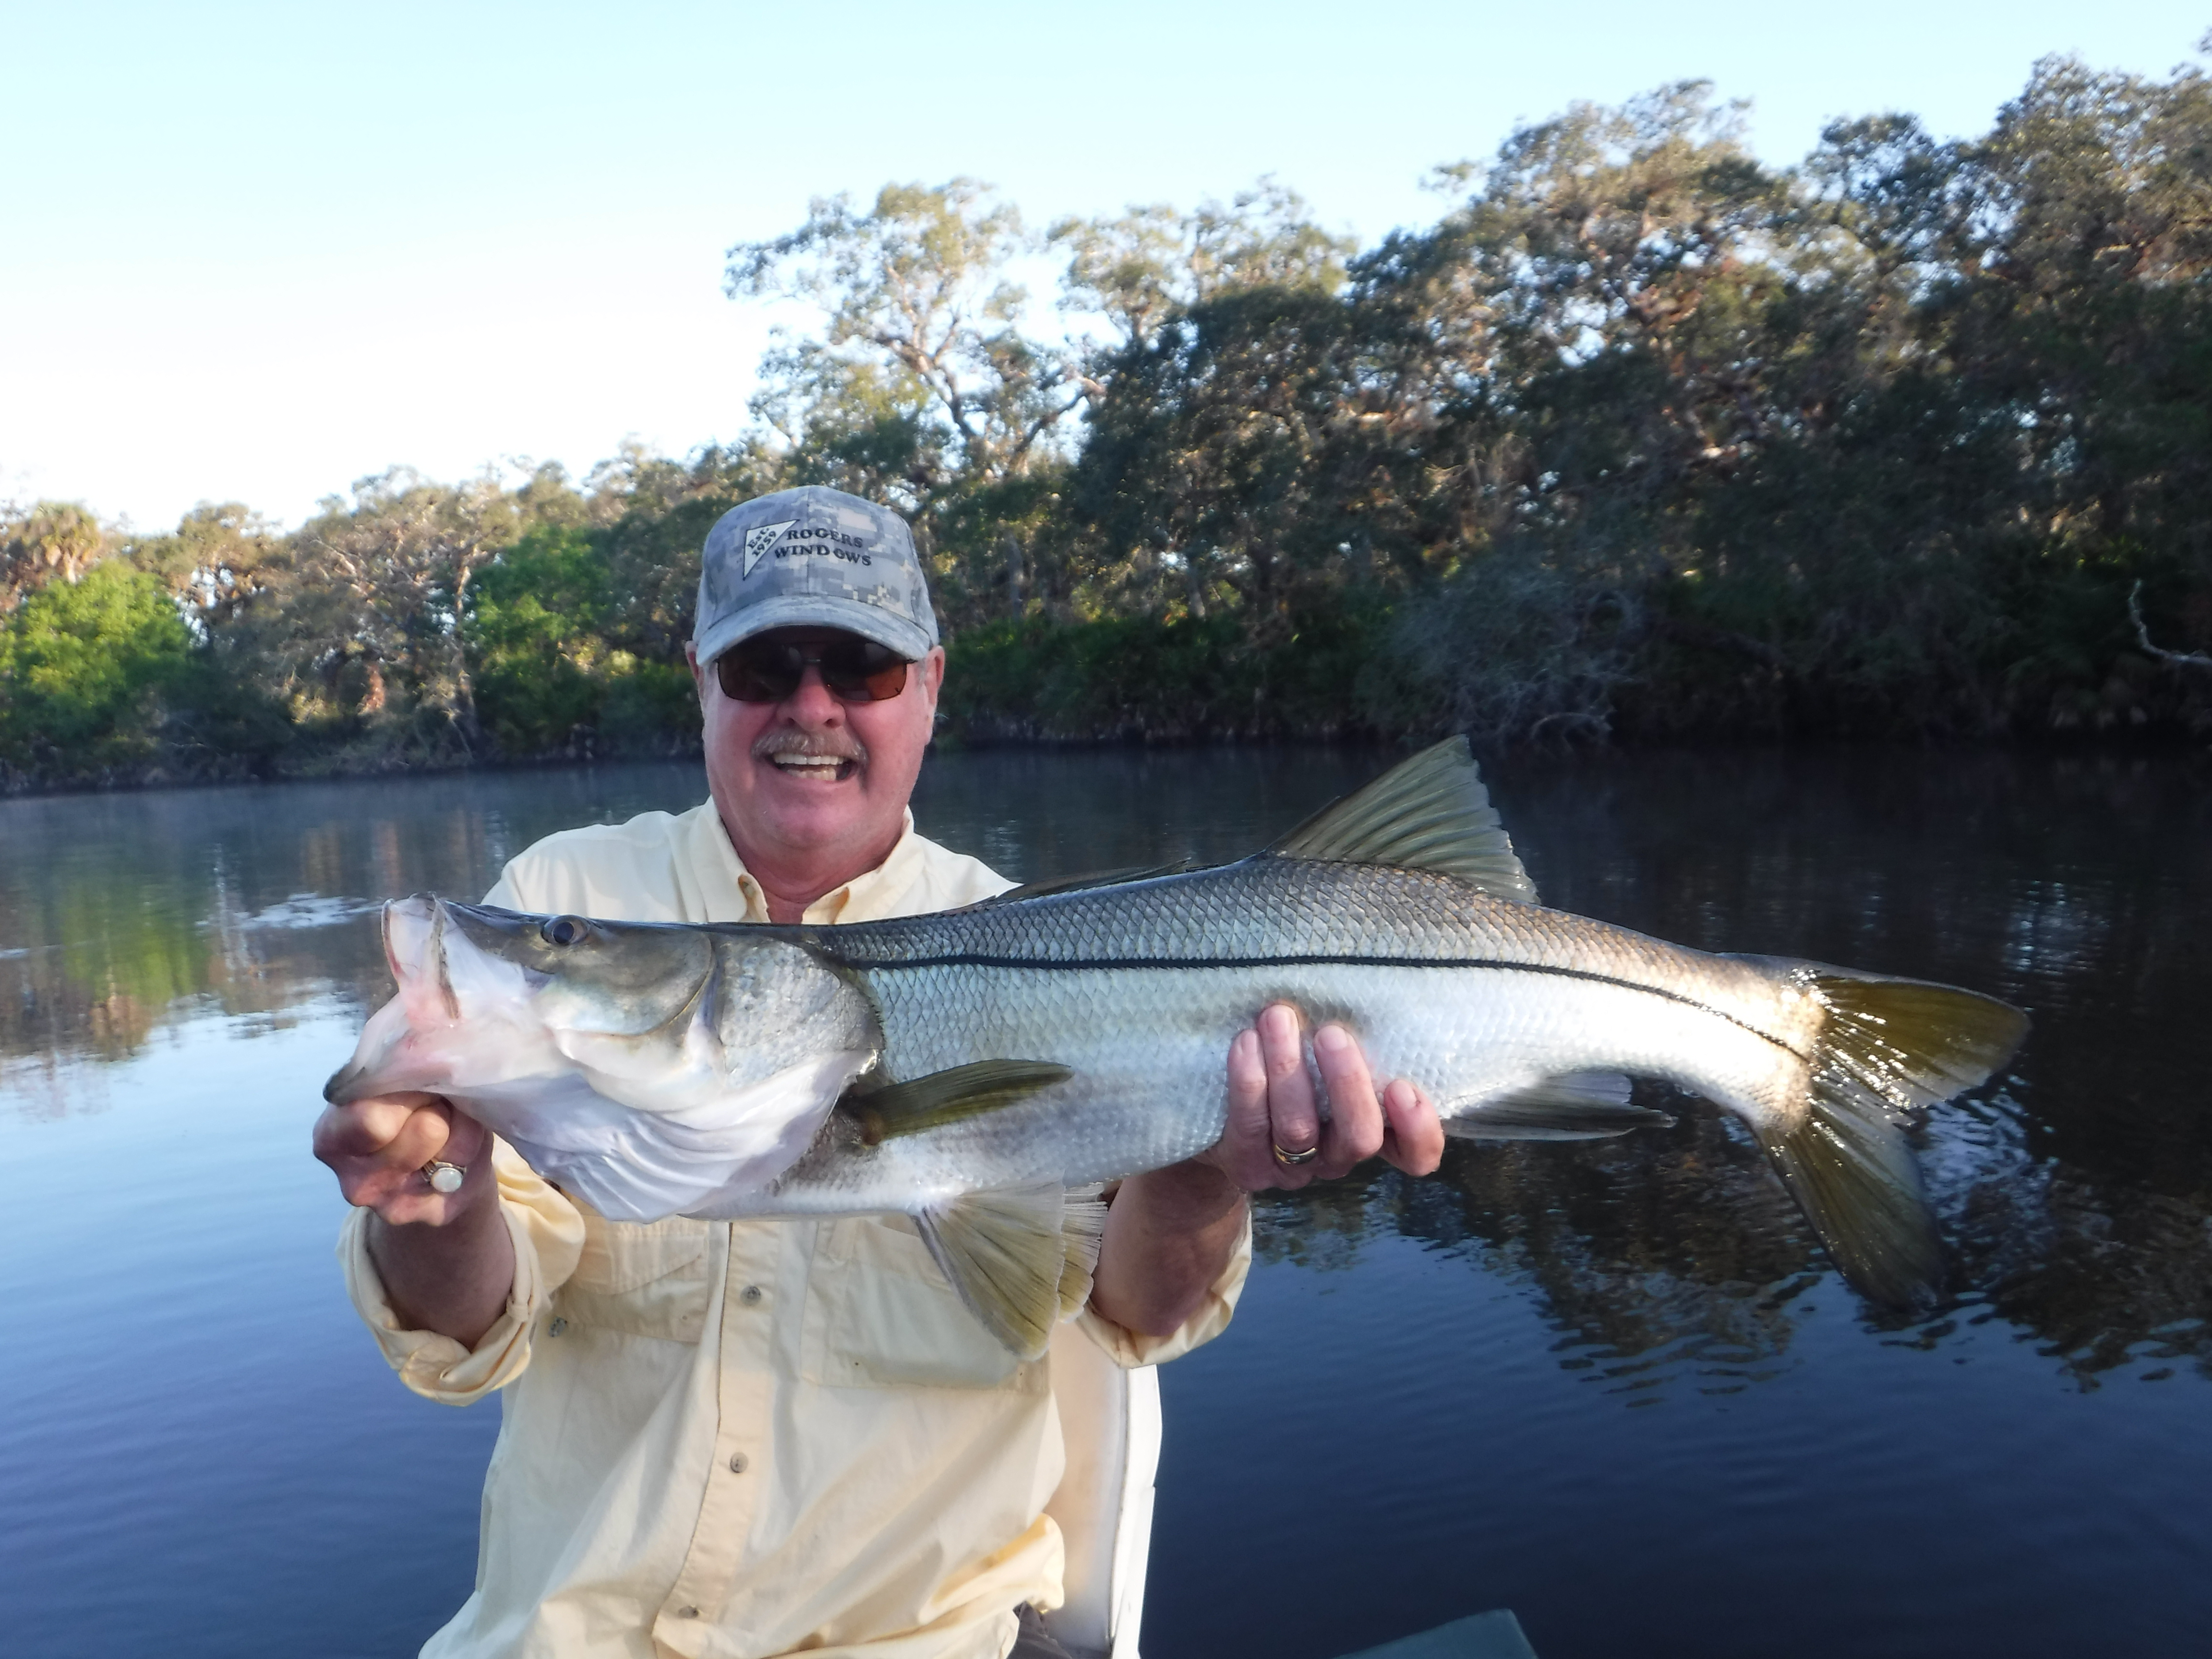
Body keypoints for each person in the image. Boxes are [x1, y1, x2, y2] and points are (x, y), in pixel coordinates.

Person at [313, 485, 1445, 1659]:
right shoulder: (572, 898)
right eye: (764, 666)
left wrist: (1208, 1174)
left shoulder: (1015, 932)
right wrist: (436, 1195)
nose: (812, 706)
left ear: (930, 688)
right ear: (700, 678)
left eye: (862, 666)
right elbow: (470, 1332)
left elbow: (1132, 1313)